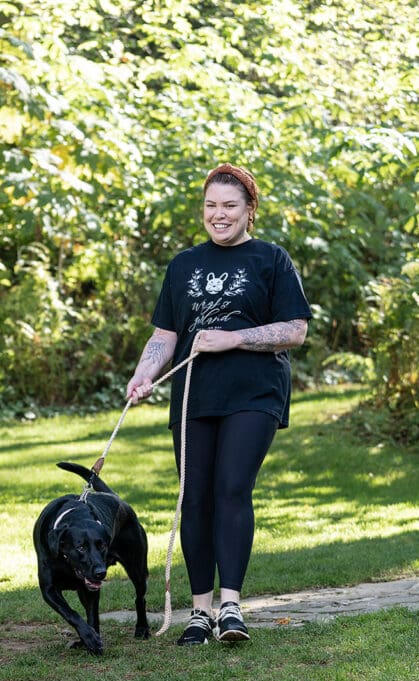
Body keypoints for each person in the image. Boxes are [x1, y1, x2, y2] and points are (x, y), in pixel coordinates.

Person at [126, 163, 312, 646]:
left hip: (254, 393)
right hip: (195, 394)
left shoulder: (272, 259)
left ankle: (231, 608)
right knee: (196, 497)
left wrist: (232, 338)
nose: (219, 214)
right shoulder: (184, 264)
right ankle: (199, 612)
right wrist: (142, 375)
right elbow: (166, 336)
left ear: (250, 211)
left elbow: (294, 330)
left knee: (231, 488)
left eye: (230, 206)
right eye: (211, 205)